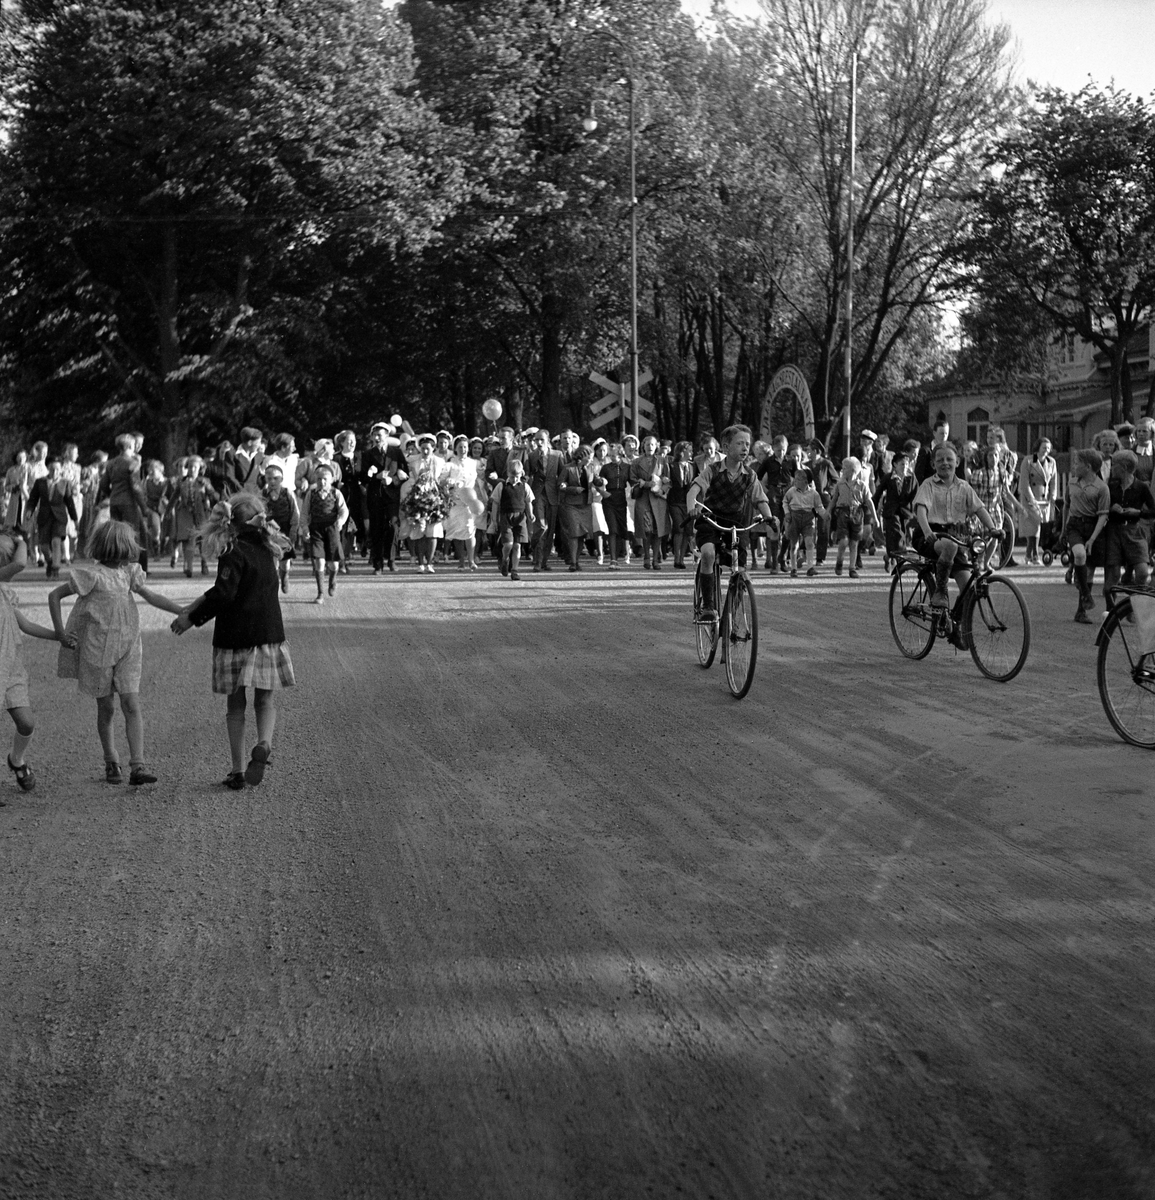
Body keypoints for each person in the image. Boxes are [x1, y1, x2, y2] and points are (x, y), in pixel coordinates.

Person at [171, 494, 295, 790]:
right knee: (265, 701)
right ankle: (264, 743)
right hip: (268, 636)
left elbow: (224, 593)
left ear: (229, 525)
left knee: (236, 706)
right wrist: (194, 606)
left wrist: (192, 618)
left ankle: (237, 770)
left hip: (235, 638)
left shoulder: (232, 551)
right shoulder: (269, 549)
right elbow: (222, 589)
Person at [49, 521, 186, 784]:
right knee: (107, 707)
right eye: (130, 544)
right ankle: (111, 759)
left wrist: (182, 610)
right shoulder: (92, 575)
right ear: (120, 547)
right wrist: (61, 634)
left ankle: (138, 766)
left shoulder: (129, 574)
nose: (134, 548)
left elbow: (152, 596)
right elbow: (54, 596)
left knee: (131, 703)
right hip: (98, 650)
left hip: (128, 647)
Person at [0, 531, 66, 797]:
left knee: (26, 723)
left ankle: (16, 760)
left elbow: (25, 625)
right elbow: (20, 563)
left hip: (11, 668)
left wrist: (57, 636)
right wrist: (21, 539)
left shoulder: (6, 593)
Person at [685, 425, 774, 618]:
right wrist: (692, 508)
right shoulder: (713, 470)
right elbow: (693, 490)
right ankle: (708, 606)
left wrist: (769, 517)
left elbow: (760, 499)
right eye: (740, 443)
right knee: (708, 553)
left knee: (740, 570)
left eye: (747, 444)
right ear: (726, 447)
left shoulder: (750, 475)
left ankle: (731, 616)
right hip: (710, 520)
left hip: (736, 525)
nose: (745, 448)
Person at [912, 443, 997, 610]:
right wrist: (927, 531)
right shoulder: (928, 485)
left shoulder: (964, 487)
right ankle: (940, 591)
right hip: (930, 534)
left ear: (957, 462)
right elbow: (921, 510)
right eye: (940, 460)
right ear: (933, 464)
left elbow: (979, 509)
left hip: (955, 536)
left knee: (968, 588)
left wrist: (993, 529)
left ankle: (957, 622)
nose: (945, 463)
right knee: (950, 546)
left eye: (949, 459)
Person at [1063, 448, 1110, 623]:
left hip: (1092, 527)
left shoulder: (1102, 488)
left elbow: (1103, 515)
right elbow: (1067, 506)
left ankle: (1080, 611)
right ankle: (1085, 593)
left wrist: (1092, 538)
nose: (1074, 466)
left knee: (1089, 570)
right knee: (1080, 554)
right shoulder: (1072, 482)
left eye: (1077, 463)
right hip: (1074, 526)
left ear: (1088, 467)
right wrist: (1063, 529)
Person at [1103, 449, 1155, 606]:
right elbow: (1100, 508)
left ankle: (1133, 607)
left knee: (1142, 572)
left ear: (1124, 467)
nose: (1112, 468)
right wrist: (1110, 508)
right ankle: (1111, 611)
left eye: (1114, 465)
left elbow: (1153, 511)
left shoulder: (1141, 487)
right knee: (1113, 575)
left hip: (1134, 530)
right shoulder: (1111, 486)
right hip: (1114, 531)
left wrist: (1138, 512)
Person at [98, 433, 150, 573]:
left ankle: (119, 566)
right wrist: (144, 507)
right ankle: (132, 568)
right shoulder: (132, 463)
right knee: (132, 535)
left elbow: (103, 484)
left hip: (114, 502)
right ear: (130, 446)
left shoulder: (111, 463)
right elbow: (136, 487)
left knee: (118, 536)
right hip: (128, 503)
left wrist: (112, 493)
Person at [361, 422, 407, 573]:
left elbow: (405, 473)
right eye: (374, 435)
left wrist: (393, 480)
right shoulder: (368, 454)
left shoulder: (396, 453)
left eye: (379, 435)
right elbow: (363, 478)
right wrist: (376, 476)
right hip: (375, 497)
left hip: (392, 496)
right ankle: (378, 564)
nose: (376, 438)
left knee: (393, 526)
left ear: (386, 435)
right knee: (377, 529)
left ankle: (391, 559)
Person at [300, 462, 348, 602]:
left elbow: (344, 510)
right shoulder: (311, 494)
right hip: (316, 530)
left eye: (325, 479)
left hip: (332, 529)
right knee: (319, 562)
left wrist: (340, 521)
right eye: (319, 479)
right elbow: (304, 513)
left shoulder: (336, 493)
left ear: (331, 480)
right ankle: (320, 593)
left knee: (333, 564)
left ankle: (332, 579)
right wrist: (305, 528)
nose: (322, 482)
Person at [28, 456, 79, 579]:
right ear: (48, 468)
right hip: (44, 516)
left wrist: (75, 519)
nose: (55, 472)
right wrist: (29, 510)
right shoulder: (40, 482)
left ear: (60, 470)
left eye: (57, 469)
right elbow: (33, 499)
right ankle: (50, 561)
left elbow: (69, 502)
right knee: (44, 546)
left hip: (59, 518)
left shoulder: (65, 483)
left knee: (56, 541)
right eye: (52, 469)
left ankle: (56, 569)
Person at [827, 457, 878, 579]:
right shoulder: (840, 484)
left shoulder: (862, 485)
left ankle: (852, 568)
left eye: (844, 468)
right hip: (843, 513)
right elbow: (834, 499)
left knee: (854, 543)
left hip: (857, 513)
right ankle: (839, 561)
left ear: (852, 470)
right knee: (843, 541)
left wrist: (875, 518)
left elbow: (869, 501)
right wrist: (828, 511)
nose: (842, 471)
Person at [488, 457, 534, 580]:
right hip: (506, 517)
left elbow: (528, 501)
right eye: (512, 477)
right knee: (508, 544)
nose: (514, 479)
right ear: (508, 473)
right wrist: (494, 520)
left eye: (517, 477)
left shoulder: (524, 486)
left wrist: (530, 514)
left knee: (517, 545)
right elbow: (495, 503)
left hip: (520, 518)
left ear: (522, 473)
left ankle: (515, 570)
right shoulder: (501, 486)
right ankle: (505, 559)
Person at [629, 434, 670, 569]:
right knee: (647, 529)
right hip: (643, 498)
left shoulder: (662, 461)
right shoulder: (636, 462)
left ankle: (656, 559)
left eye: (652, 444)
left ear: (656, 446)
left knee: (658, 530)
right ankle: (646, 556)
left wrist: (662, 490)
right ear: (643, 446)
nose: (650, 447)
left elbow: (668, 480)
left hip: (658, 499)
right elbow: (632, 479)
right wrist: (646, 484)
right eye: (647, 444)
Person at [171, 456, 217, 577]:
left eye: (195, 467)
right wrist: (168, 511)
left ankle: (204, 563)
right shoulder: (182, 482)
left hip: (202, 513)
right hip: (186, 514)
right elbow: (174, 497)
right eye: (190, 467)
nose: (192, 470)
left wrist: (209, 492)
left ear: (200, 469)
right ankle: (189, 567)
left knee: (202, 540)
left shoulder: (204, 482)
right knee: (188, 540)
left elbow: (213, 496)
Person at [444, 435, 485, 571]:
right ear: (455, 448)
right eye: (460, 447)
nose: (463, 449)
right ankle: (461, 561)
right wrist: (449, 483)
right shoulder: (450, 464)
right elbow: (442, 480)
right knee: (458, 530)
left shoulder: (474, 463)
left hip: (470, 500)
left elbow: (481, 478)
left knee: (470, 529)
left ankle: (471, 560)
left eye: (465, 447)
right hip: (455, 501)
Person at [558, 444, 601, 571]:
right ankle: (572, 562)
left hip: (586, 504)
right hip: (571, 505)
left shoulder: (591, 467)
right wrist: (573, 489)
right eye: (589, 457)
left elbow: (596, 480)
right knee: (574, 533)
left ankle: (576, 561)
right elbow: (560, 485)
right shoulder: (568, 468)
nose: (591, 460)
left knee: (582, 533)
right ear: (582, 456)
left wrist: (601, 481)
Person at [261, 462, 300, 594]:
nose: (272, 481)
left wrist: (294, 530)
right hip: (269, 530)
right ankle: (273, 586)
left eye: (276, 478)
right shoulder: (263, 494)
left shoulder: (287, 493)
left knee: (284, 561)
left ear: (281, 479)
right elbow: (258, 511)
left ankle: (284, 577)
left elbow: (295, 512)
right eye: (269, 478)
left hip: (285, 530)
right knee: (271, 560)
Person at [1018, 438, 1058, 566]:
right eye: (1044, 447)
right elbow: (1024, 482)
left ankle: (1029, 555)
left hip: (1044, 499)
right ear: (1038, 448)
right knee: (1034, 526)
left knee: (1036, 527)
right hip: (1030, 498)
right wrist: (1031, 498)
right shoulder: (1029, 461)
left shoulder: (1051, 462)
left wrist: (1053, 496)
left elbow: (1053, 481)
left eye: (1048, 448)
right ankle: (1034, 555)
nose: (1046, 450)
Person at [782, 467, 822, 577]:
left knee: (809, 542)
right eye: (795, 478)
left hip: (808, 518)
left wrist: (824, 514)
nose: (795, 481)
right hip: (794, 517)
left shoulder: (814, 493)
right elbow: (785, 501)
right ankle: (793, 568)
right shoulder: (791, 491)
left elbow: (819, 506)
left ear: (806, 481)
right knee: (794, 544)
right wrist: (787, 513)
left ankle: (810, 567)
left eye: (798, 479)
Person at [667, 442, 696, 570]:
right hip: (675, 502)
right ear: (682, 452)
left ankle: (682, 559)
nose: (691, 453)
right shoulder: (671, 466)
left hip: (688, 502)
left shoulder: (692, 466)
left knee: (687, 531)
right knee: (679, 528)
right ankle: (676, 557)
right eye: (689, 450)